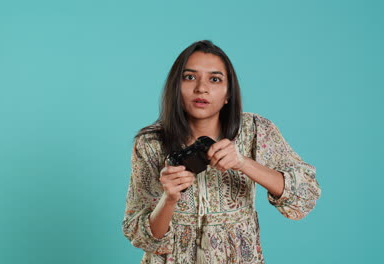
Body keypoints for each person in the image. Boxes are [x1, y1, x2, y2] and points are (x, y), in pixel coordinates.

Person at [122, 40, 321, 264]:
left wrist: (243, 162)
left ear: (229, 94)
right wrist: (169, 199)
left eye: (214, 79)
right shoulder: (151, 143)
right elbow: (143, 238)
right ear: (174, 87)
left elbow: (305, 196)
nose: (201, 88)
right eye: (189, 77)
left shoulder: (255, 130)